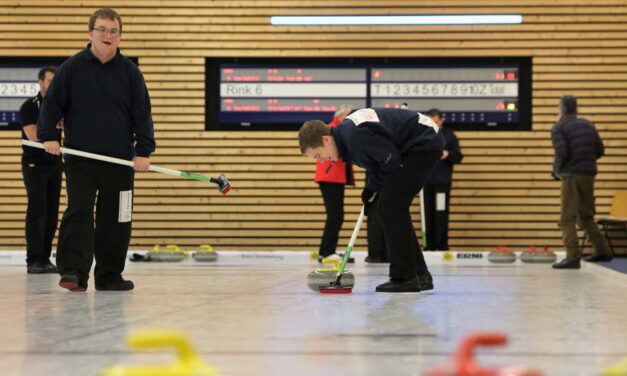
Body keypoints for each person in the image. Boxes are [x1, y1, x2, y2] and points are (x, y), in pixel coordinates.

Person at [38, 8, 156, 291]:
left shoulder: (130, 73)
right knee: (78, 212)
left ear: (119, 36)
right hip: (81, 157)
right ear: (91, 33)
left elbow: (143, 114)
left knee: (117, 218)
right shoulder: (72, 68)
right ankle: (74, 273)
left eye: (113, 31)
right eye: (102, 29)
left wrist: (144, 151)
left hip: (120, 161)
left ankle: (109, 276)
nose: (107, 36)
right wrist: (49, 135)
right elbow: (52, 104)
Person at [299, 108, 444, 293]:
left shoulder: (353, 137)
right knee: (391, 207)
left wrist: (374, 186)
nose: (322, 161)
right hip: (415, 145)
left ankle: (405, 277)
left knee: (391, 207)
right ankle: (420, 274)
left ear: (326, 139)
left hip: (422, 144)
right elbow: (379, 162)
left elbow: (391, 159)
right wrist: (371, 189)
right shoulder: (348, 138)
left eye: (318, 155)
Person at [550, 95, 611, 269]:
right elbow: (600, 150)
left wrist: (556, 171)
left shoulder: (558, 127)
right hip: (589, 173)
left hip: (571, 175)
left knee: (566, 218)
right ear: (576, 108)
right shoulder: (588, 125)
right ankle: (602, 250)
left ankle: (572, 257)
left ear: (561, 109)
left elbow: (562, 153)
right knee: (586, 216)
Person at [20, 66, 62, 274]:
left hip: (55, 165)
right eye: (50, 80)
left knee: (52, 214)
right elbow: (34, 136)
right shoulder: (30, 106)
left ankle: (45, 258)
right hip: (34, 166)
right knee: (37, 212)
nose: (53, 84)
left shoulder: (60, 106)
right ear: (40, 82)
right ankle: (34, 260)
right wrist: (54, 127)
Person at [314, 105, 354, 262]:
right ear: (342, 115)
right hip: (330, 177)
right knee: (335, 215)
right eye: (349, 116)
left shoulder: (337, 129)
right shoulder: (333, 130)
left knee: (336, 215)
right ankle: (326, 252)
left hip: (334, 177)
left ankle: (327, 250)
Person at [422, 108, 463, 251]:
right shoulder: (423, 135)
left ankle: (441, 244)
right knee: (427, 213)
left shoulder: (449, 136)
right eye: (430, 121)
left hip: (441, 183)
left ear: (441, 120)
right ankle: (429, 245)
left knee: (440, 213)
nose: (433, 124)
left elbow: (458, 157)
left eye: (435, 121)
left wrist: (447, 154)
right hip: (425, 182)